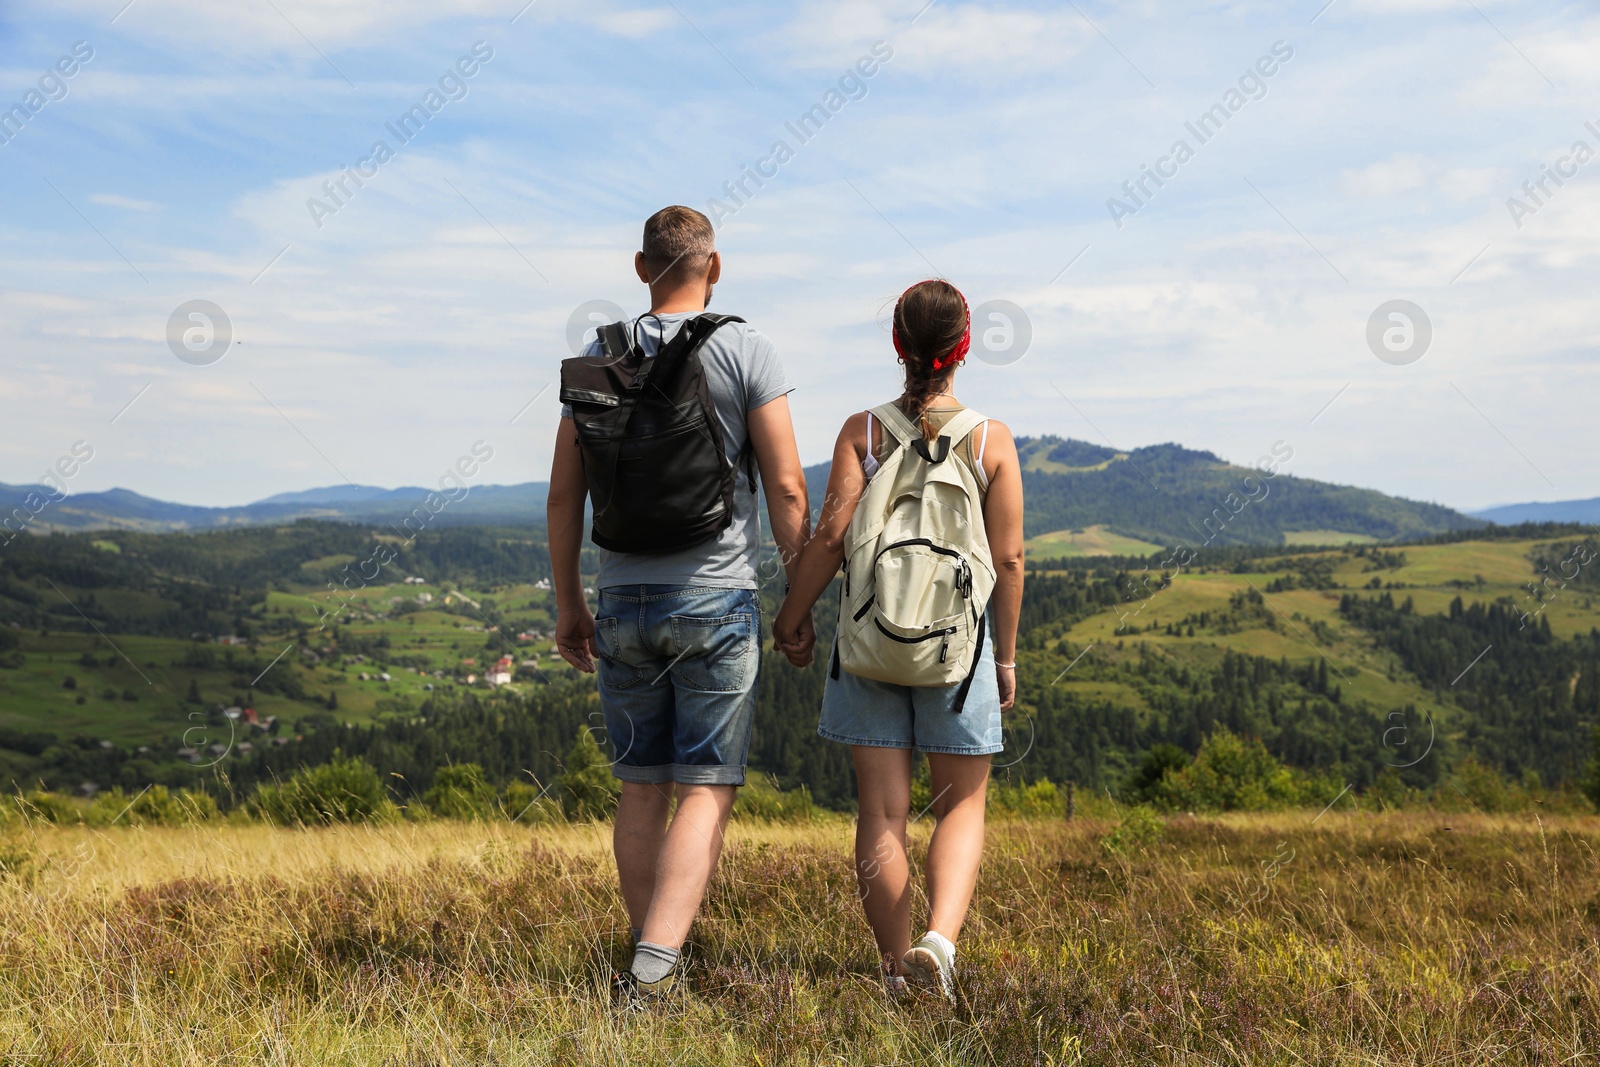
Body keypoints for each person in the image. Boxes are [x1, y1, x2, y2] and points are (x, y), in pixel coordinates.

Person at [546, 206, 813, 1002]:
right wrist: (798, 600)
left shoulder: (602, 356)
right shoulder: (746, 347)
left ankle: (649, 959)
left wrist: (570, 605)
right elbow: (790, 487)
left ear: (640, 268)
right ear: (715, 267)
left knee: (642, 785)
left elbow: (566, 498)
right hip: (716, 597)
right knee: (705, 785)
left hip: (622, 599)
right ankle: (654, 970)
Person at [773, 278, 1023, 1002]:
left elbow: (829, 537)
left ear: (897, 346)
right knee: (959, 806)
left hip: (869, 640)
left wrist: (794, 617)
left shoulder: (864, 431)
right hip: (959, 647)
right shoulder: (990, 440)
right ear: (964, 347)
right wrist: (1003, 656)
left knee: (881, 810)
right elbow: (1007, 561)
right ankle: (939, 944)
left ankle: (892, 969)